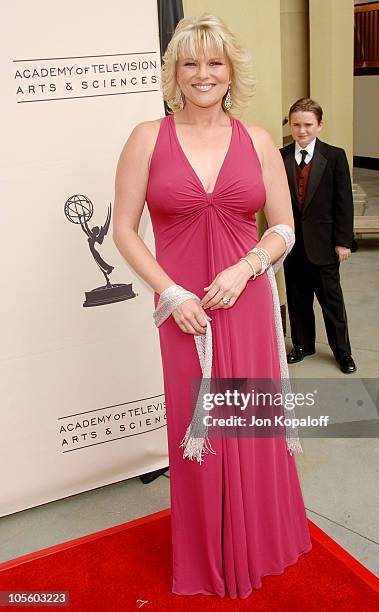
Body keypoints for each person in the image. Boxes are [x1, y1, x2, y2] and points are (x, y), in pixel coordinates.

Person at [113, 14, 311, 600]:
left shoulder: (255, 140)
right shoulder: (147, 137)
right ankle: (208, 557)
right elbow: (125, 231)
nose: (203, 74)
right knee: (198, 429)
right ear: (175, 71)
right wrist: (169, 292)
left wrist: (247, 267)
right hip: (183, 313)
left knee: (248, 429)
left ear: (231, 73)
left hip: (245, 302)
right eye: (191, 62)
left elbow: (283, 227)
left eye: (215, 62)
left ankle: (259, 541)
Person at [281, 98, 357, 374]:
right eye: (296, 124)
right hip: (293, 245)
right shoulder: (281, 156)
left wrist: (343, 241)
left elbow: (343, 202)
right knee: (298, 298)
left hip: (325, 244)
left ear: (320, 125)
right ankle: (302, 345)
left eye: (308, 125)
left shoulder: (335, 156)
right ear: (290, 124)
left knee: (332, 301)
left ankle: (343, 352)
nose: (302, 130)